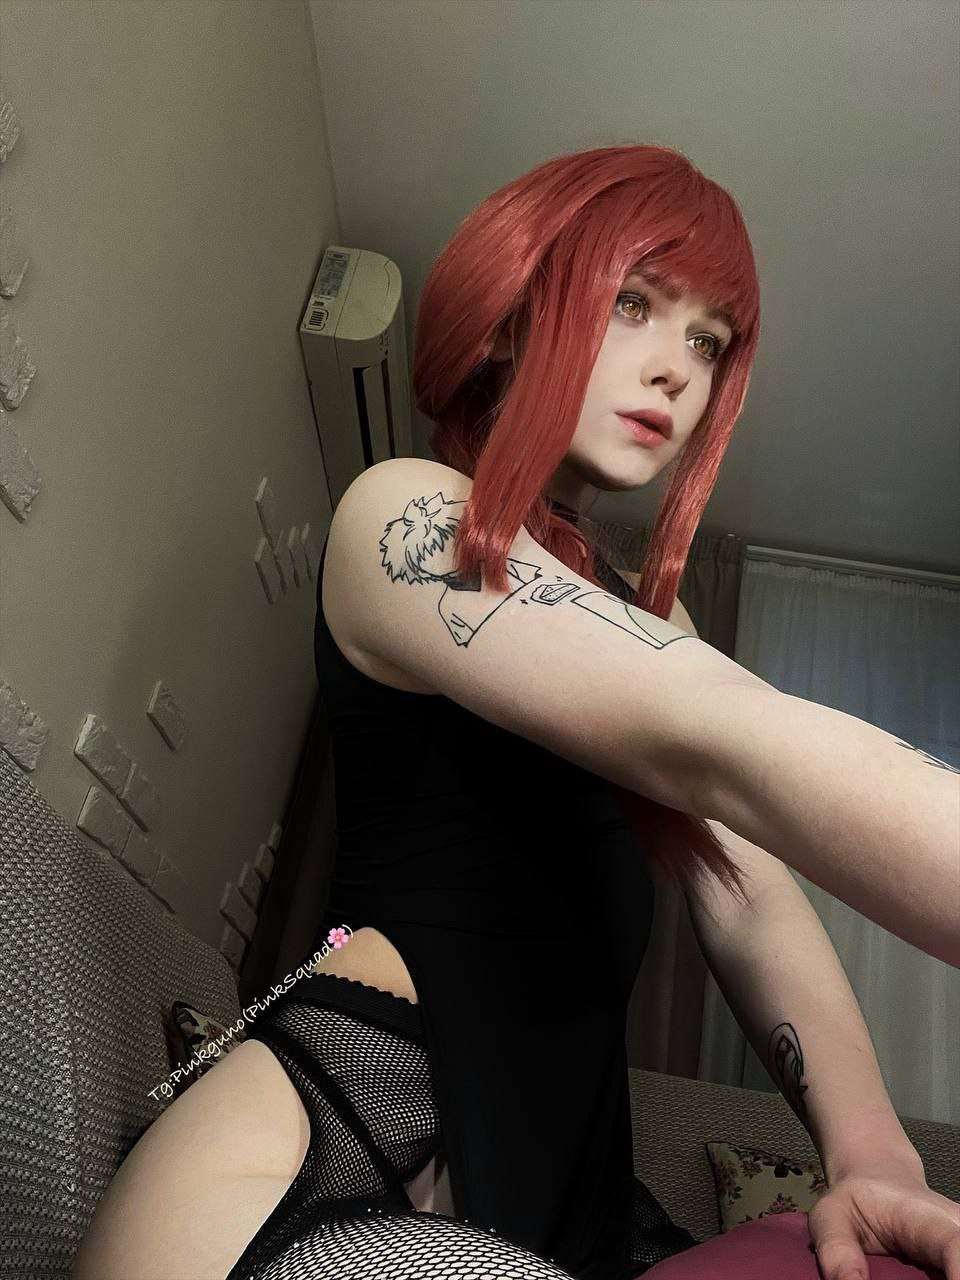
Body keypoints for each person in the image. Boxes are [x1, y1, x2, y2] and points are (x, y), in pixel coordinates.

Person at [73, 145, 960, 1280]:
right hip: (321, 1159)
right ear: (509, 321)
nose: (676, 370)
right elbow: (729, 740)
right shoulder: (403, 513)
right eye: (634, 302)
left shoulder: (660, 622)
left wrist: (874, 1152)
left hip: (562, 1202)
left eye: (708, 341)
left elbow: (750, 895)